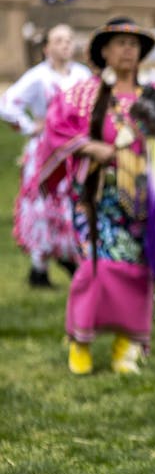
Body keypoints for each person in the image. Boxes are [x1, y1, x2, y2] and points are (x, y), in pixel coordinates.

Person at [34, 17, 155, 375]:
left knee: (137, 271)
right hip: (97, 197)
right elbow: (57, 129)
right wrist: (91, 147)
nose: (126, 51)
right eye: (119, 43)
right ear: (104, 51)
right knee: (97, 268)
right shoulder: (83, 94)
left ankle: (127, 346)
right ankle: (81, 341)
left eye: (133, 45)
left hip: (142, 199)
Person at [0, 24, 91, 287]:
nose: (66, 44)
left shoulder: (82, 75)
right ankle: (39, 267)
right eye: (59, 40)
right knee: (42, 206)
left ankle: (71, 256)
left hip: (74, 150)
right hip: (45, 151)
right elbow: (6, 105)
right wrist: (30, 126)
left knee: (70, 203)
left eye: (69, 39)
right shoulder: (38, 77)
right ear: (46, 48)